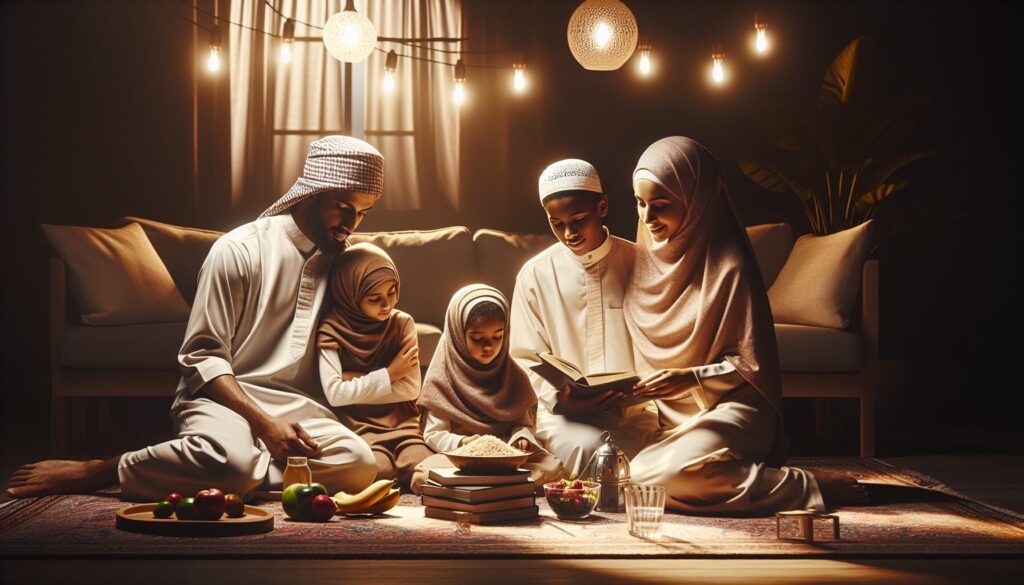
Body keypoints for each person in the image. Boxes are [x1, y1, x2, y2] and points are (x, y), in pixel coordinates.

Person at [7, 136, 385, 501]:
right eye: (344, 206)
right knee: (232, 462)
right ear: (312, 194)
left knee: (359, 464)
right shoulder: (240, 250)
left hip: (296, 408)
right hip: (224, 401)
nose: (352, 222)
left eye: (364, 212)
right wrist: (264, 426)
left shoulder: (348, 264)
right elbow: (201, 357)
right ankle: (103, 470)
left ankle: (225, 471)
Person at [624, 136, 867, 514]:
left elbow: (752, 366)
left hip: (732, 406)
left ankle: (805, 485)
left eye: (661, 205)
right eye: (640, 204)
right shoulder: (641, 265)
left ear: (696, 201)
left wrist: (692, 378)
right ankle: (753, 476)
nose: (647, 218)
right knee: (631, 474)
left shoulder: (730, 268)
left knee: (658, 477)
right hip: (664, 415)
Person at [509, 159, 660, 477]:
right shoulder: (535, 275)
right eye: (557, 223)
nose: (569, 233)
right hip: (565, 416)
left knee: (650, 464)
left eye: (578, 220)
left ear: (602, 206)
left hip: (635, 413)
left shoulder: (641, 263)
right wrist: (561, 402)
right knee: (590, 453)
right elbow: (523, 358)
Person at [411, 284, 562, 493]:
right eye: (477, 338)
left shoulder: (514, 377)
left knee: (552, 465)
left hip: (506, 458)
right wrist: (464, 442)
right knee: (423, 475)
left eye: (497, 336)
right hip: (460, 459)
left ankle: (480, 489)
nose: (489, 347)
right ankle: (503, 489)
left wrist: (521, 438)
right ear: (457, 334)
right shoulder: (442, 379)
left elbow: (523, 424)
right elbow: (434, 433)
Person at [316, 242, 432, 490]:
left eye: (392, 292)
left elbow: (411, 390)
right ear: (351, 293)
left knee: (422, 468)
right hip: (358, 427)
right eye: (374, 298)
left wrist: (354, 380)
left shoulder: (402, 324)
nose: (387, 305)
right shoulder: (332, 328)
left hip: (404, 425)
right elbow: (335, 395)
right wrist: (390, 374)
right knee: (378, 472)